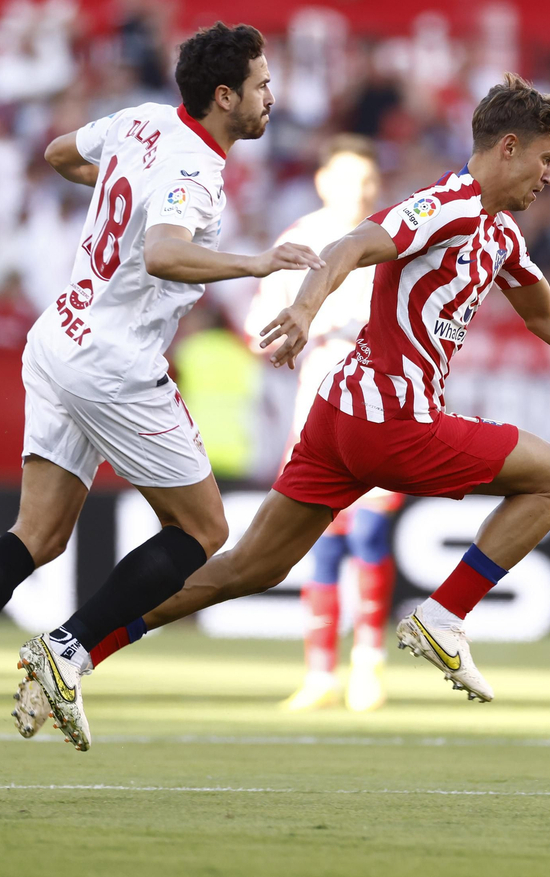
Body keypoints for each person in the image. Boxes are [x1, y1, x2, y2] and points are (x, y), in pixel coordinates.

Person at [53, 74, 550, 715]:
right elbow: (354, 243)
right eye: (546, 158)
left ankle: (71, 650)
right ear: (507, 147)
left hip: (339, 416)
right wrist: (305, 308)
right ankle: (445, 614)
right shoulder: (448, 204)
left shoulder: (500, 235)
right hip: (393, 419)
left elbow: (548, 315)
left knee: (249, 568)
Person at [0, 21, 324, 776]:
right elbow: (163, 251)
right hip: (114, 360)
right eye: (260, 86)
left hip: (59, 331)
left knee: (40, 533)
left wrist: (122, 191)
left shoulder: (143, 121)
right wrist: (255, 262)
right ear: (224, 98)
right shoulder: (194, 168)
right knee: (203, 528)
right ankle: (66, 652)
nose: (270, 98)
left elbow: (59, 154)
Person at [242, 135, 404, 713]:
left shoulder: (395, 236)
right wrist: (287, 336)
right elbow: (258, 322)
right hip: (316, 411)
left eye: (368, 180)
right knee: (319, 540)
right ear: (323, 181)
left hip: (385, 409)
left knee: (369, 534)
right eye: (348, 178)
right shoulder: (301, 239)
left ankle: (368, 665)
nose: (360, 190)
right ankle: (319, 672)